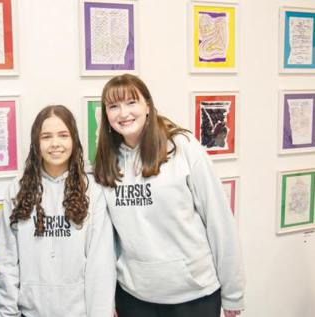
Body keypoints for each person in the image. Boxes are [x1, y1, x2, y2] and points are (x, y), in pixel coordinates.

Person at [93, 74, 245, 317]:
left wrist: (233, 293)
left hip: (194, 296)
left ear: (148, 106)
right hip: (134, 297)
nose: (123, 113)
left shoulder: (182, 147)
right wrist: (105, 298)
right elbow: (106, 241)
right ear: (106, 115)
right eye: (114, 106)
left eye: (132, 102)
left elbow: (220, 221)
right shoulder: (106, 162)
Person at [0, 105, 116, 317]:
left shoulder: (92, 191)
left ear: (74, 140)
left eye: (63, 135)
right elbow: (7, 261)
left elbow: (101, 266)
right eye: (46, 136)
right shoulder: (17, 189)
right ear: (36, 142)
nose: (55, 144)